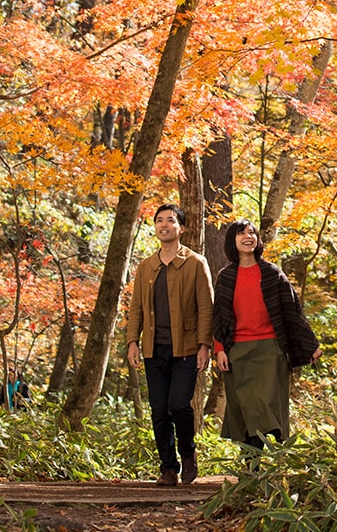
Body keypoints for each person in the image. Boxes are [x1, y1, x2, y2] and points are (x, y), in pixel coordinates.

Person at [212, 220, 322, 451]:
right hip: (237, 352)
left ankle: (257, 468)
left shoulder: (272, 273)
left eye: (251, 232)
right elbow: (218, 316)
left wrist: (310, 345)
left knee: (262, 407)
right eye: (241, 233)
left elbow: (293, 311)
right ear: (233, 240)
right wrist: (219, 349)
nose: (247, 237)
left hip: (270, 351)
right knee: (243, 410)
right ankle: (250, 470)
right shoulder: (226, 276)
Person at [125, 204, 214, 486]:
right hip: (154, 348)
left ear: (181, 228)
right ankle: (168, 468)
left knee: (179, 406)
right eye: (160, 220)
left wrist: (205, 345)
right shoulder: (146, 267)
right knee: (159, 410)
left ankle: (188, 454)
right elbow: (136, 308)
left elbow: (206, 308)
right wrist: (132, 341)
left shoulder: (195, 263)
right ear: (155, 227)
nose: (164, 225)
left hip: (186, 348)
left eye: (171, 220)